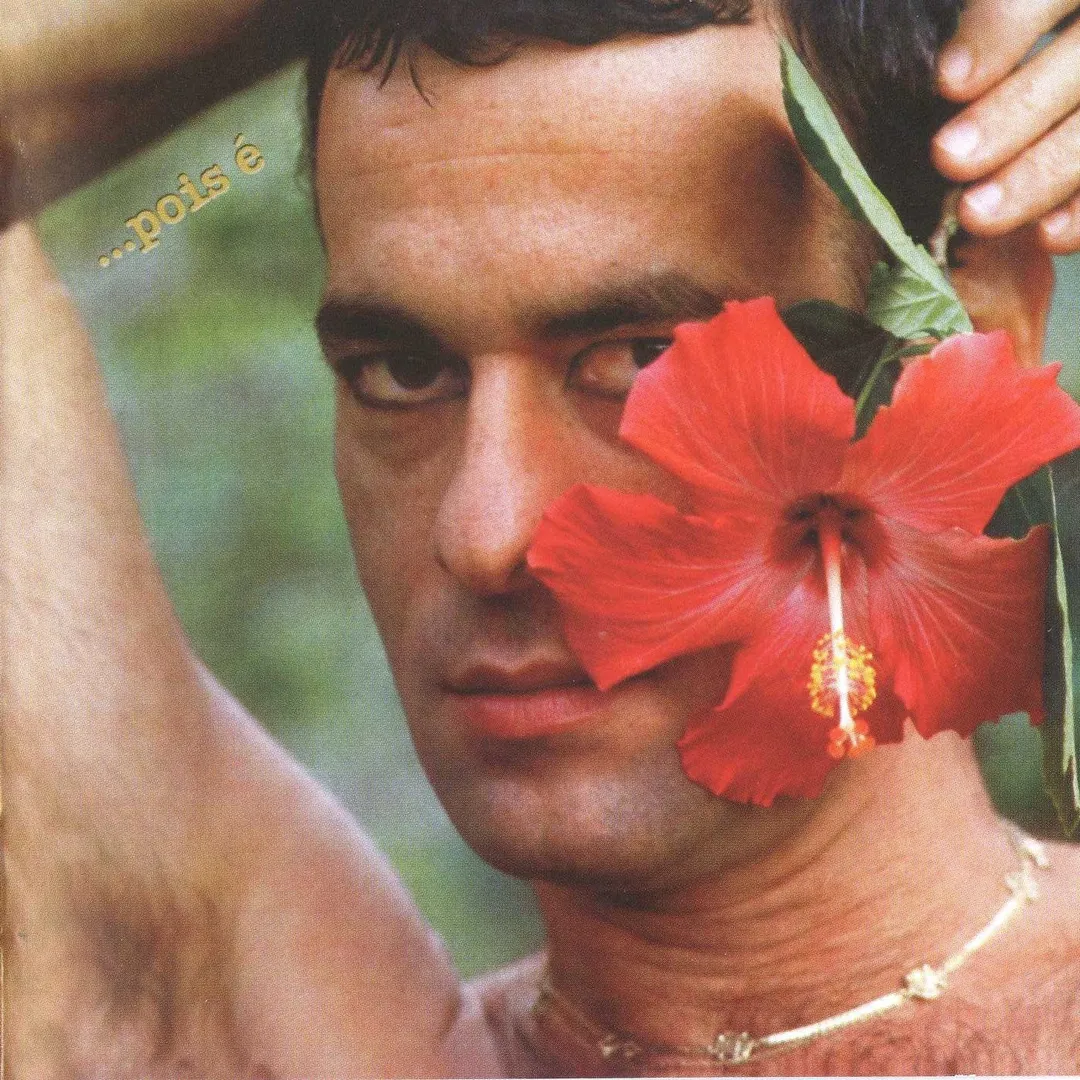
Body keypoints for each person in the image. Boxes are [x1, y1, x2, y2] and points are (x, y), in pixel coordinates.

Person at [3, 0, 1080, 1075]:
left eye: (641, 361)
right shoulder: (232, 1026)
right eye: (402, 372)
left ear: (975, 330)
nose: (483, 532)